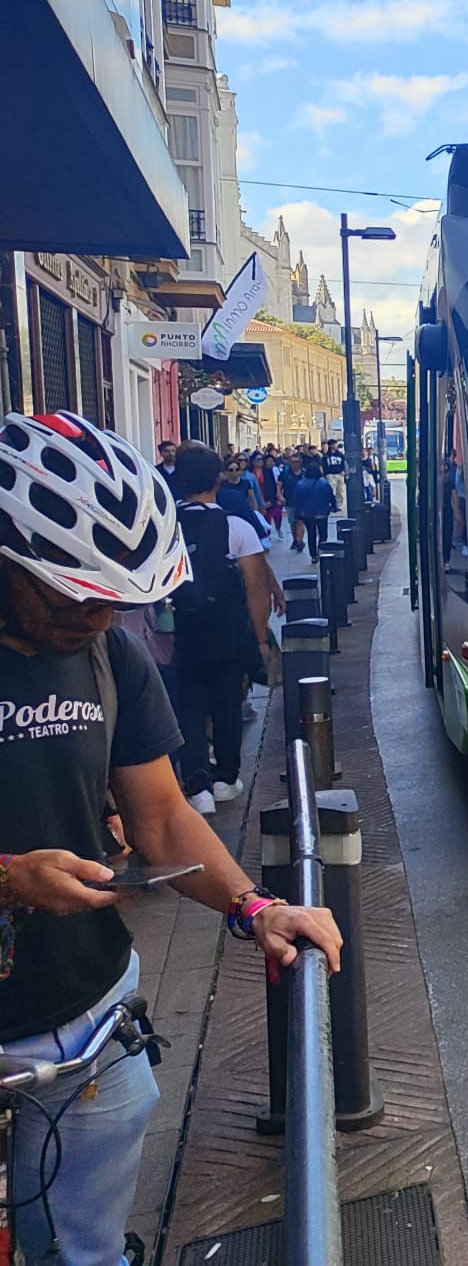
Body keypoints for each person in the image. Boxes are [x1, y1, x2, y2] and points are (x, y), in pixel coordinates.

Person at [0, 411, 341, 1266]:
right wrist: (8, 877)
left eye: (116, 599)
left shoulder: (110, 658)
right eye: (75, 594)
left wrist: (255, 906)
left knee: (85, 1254)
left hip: (89, 1022)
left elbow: (159, 815)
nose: (98, 615)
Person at [169, 443, 282, 814]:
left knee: (188, 707)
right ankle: (226, 779)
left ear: (180, 479)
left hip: (179, 632)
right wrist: (260, 637)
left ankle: (197, 784)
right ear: (218, 478)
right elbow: (255, 587)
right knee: (227, 703)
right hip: (227, 633)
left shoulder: (166, 526)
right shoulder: (236, 527)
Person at [291, 458, 338, 559]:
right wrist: (334, 507)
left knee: (311, 533)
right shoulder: (324, 483)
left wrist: (297, 511)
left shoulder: (300, 484)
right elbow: (331, 496)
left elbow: (296, 499)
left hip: (307, 513)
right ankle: (322, 550)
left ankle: (313, 555)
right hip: (322, 511)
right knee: (323, 533)